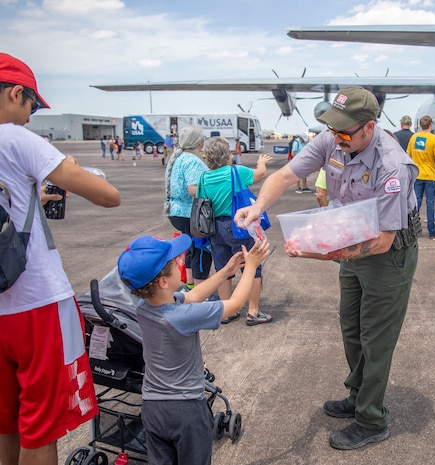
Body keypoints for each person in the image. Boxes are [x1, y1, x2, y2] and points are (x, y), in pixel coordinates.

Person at [234, 87, 419, 450]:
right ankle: (357, 395)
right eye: (333, 129)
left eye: (345, 132)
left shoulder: (392, 165)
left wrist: (316, 252)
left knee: (376, 339)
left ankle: (371, 419)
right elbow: (285, 176)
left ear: (370, 126)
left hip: (387, 256)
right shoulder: (333, 139)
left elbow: (381, 241)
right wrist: (257, 207)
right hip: (350, 243)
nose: (337, 137)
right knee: (351, 327)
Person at [0, 52, 121, 465]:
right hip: (34, 303)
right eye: (31, 104)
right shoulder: (17, 139)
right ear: (16, 93)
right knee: (40, 428)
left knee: (7, 424)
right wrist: (61, 167)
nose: (31, 116)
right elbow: (108, 197)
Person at [117, 234, 269, 465]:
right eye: (174, 265)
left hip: (152, 407)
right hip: (186, 410)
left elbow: (195, 295)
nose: (181, 265)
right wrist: (251, 268)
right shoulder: (181, 317)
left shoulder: (143, 307)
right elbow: (235, 304)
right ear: (163, 282)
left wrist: (226, 271)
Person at [198, 137, 273, 326]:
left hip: (214, 228)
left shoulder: (203, 178)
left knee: (223, 268)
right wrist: (261, 163)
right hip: (238, 225)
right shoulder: (236, 172)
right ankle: (253, 311)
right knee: (252, 266)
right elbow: (260, 175)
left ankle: (226, 311)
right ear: (226, 155)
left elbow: (200, 201)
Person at [164, 125, 213, 292]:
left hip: (176, 211)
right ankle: (199, 291)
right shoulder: (193, 161)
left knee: (191, 250)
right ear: (200, 143)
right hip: (189, 213)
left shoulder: (176, 158)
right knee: (200, 252)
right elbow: (193, 190)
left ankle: (190, 285)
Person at [406, 115, 435, 239]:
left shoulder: (414, 137)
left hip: (417, 174)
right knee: (430, 202)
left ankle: (412, 229)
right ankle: (432, 232)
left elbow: (408, 155)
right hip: (431, 175)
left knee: (416, 202)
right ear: (431, 125)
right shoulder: (434, 139)